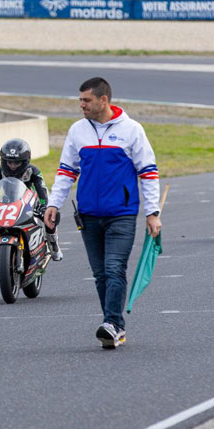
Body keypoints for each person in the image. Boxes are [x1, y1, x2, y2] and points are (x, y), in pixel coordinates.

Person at [44, 77, 161, 349]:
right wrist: (53, 204)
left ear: (103, 100)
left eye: (86, 100)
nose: (81, 105)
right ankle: (113, 326)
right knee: (100, 274)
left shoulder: (132, 130)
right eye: (80, 100)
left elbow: (148, 172)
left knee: (113, 268)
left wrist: (152, 212)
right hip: (88, 214)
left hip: (121, 213)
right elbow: (66, 171)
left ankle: (112, 323)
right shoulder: (77, 131)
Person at [0, 138, 62, 295]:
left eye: (17, 163)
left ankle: (54, 245)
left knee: (50, 218)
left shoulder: (33, 171)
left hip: (30, 203)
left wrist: (44, 207)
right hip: (7, 204)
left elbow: (42, 190)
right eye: (9, 162)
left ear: (25, 161)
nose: (12, 166)